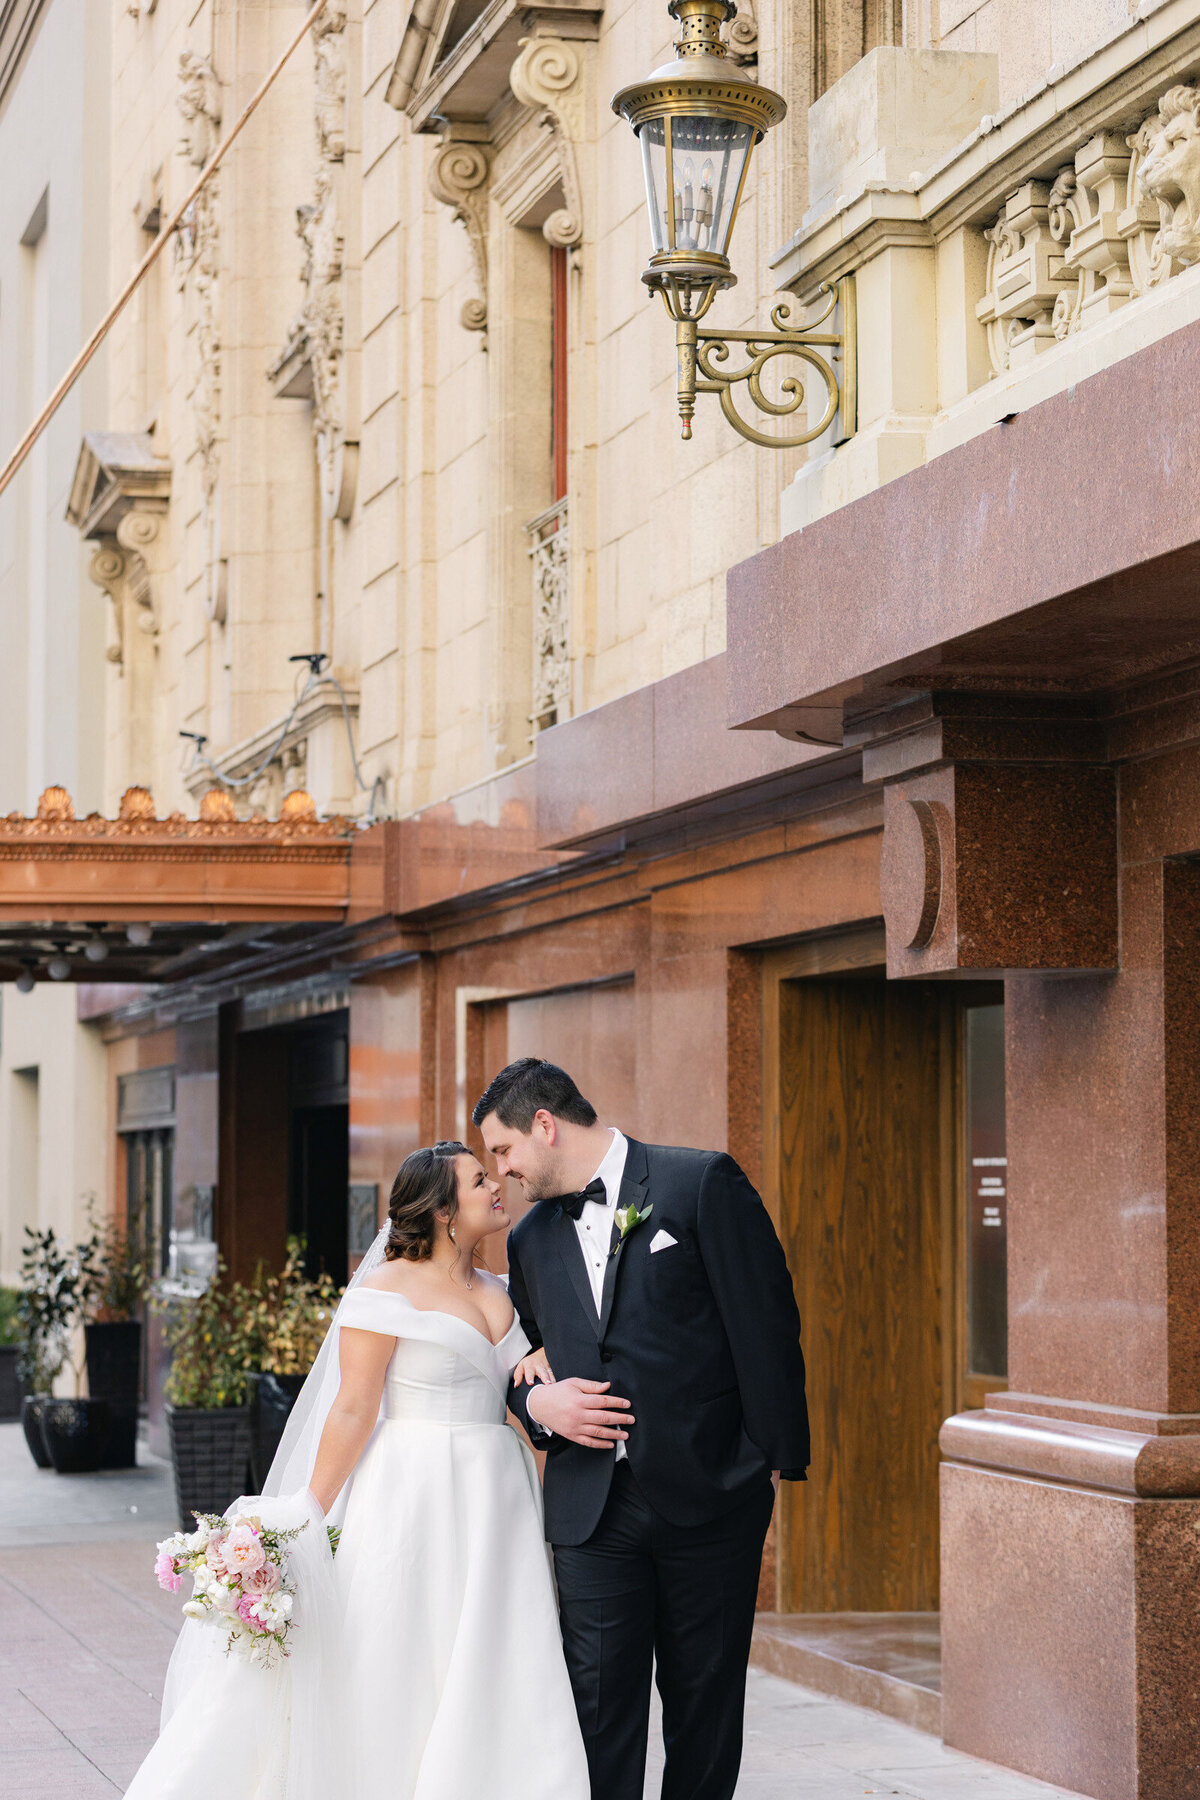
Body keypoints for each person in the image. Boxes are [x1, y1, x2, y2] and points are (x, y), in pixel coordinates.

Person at [124, 1140, 589, 1800]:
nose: (496, 1186)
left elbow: (515, 1374)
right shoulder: (384, 1290)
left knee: (493, 1651)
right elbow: (351, 1408)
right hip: (415, 1489)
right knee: (400, 1652)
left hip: (498, 1494)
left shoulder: (502, 1288)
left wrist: (538, 1360)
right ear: (441, 1210)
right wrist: (307, 1511)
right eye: (478, 1180)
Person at [474, 1058, 809, 1800]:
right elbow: (520, 1362)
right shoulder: (527, 1242)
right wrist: (539, 1410)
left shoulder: (700, 1184)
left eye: (503, 1151)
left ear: (544, 1125)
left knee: (705, 1707)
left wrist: (772, 1458)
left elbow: (765, 1320)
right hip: (591, 1510)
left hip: (712, 1496)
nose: (501, 1174)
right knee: (595, 1709)